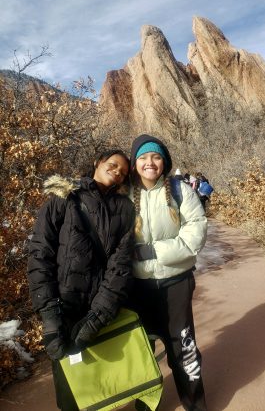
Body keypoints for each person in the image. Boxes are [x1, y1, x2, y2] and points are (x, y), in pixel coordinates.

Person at [27, 149, 135, 411]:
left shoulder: (126, 209)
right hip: (62, 306)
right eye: (113, 164)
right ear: (97, 162)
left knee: (99, 380)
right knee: (68, 385)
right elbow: (41, 251)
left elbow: (120, 265)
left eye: (123, 171)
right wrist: (49, 313)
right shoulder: (65, 195)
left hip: (97, 310)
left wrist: (99, 315)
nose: (118, 171)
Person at [129, 134, 208, 411]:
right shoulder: (124, 194)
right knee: (141, 353)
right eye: (143, 157)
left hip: (176, 283)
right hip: (137, 289)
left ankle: (195, 404)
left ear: (164, 161)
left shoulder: (179, 190)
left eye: (156, 156)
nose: (150, 162)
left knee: (183, 347)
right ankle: (146, 407)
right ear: (134, 163)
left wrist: (150, 252)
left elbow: (195, 232)